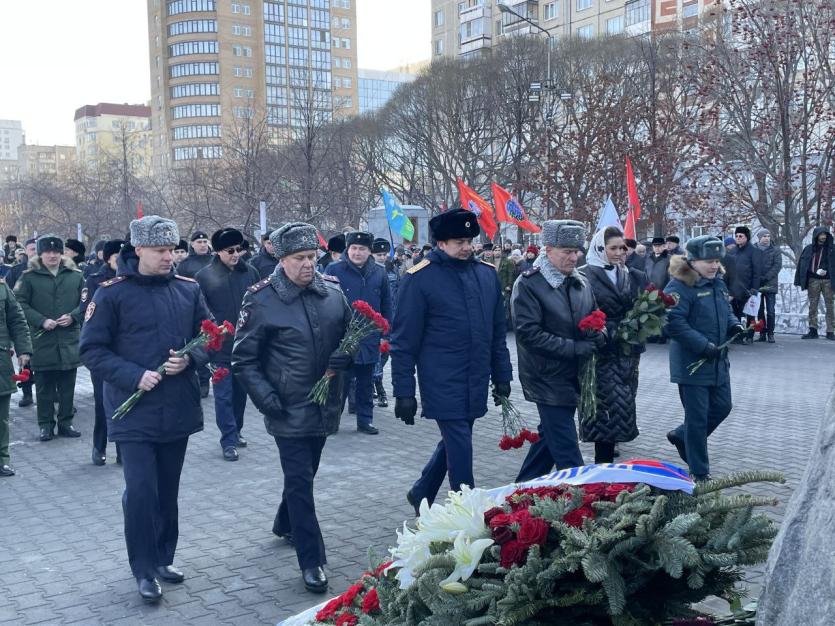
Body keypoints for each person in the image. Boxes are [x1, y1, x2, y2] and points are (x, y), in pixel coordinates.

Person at [80, 216, 212, 602]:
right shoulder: (111, 293)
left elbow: (210, 336)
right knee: (140, 492)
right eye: (160, 251)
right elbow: (91, 350)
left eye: (172, 250)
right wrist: (134, 376)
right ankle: (143, 569)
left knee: (167, 491)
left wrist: (190, 360)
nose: (168, 257)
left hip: (177, 409)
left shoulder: (188, 289)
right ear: (138, 250)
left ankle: (163, 558)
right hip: (131, 411)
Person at [232, 222, 353, 594]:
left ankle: (284, 522)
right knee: (301, 481)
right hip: (286, 406)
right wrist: (266, 399)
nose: (307, 265)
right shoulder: (261, 298)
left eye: (312, 257)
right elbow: (243, 360)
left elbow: (352, 334)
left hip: (326, 402)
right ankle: (312, 560)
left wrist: (347, 354)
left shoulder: (332, 292)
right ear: (280, 259)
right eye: (299, 258)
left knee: (306, 473)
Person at [391, 208, 513, 513]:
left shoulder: (486, 275)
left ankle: (421, 492)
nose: (468, 246)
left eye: (470, 240)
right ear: (441, 243)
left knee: (455, 439)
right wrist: (403, 391)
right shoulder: (419, 279)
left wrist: (502, 376)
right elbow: (403, 342)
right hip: (440, 378)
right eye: (459, 241)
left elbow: (498, 333)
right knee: (460, 443)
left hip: (476, 375)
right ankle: (468, 510)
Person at [511, 220, 602, 480]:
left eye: (577, 251)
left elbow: (595, 314)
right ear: (548, 249)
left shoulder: (581, 281)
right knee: (567, 452)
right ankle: (584, 502)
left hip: (574, 374)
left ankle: (520, 491)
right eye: (567, 252)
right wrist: (575, 348)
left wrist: (600, 334)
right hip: (546, 377)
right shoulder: (529, 284)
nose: (574, 257)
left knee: (548, 441)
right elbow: (529, 334)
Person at [664, 236, 743, 481]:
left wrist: (734, 325)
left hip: (717, 360)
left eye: (717, 261)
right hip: (692, 363)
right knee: (697, 419)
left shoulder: (717, 283)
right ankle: (699, 471)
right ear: (693, 261)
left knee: (722, 406)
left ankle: (681, 435)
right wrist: (702, 345)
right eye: (708, 261)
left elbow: (726, 310)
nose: (713, 266)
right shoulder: (679, 287)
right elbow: (672, 323)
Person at [579, 227, 647, 463]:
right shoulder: (584, 276)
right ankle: (602, 464)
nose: (620, 253)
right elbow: (583, 312)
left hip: (627, 353)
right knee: (604, 410)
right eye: (613, 248)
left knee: (624, 404)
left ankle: (610, 463)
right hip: (602, 353)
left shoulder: (631, 274)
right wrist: (607, 331)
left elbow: (641, 306)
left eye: (623, 248)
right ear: (600, 248)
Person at [195, 228, 260, 461]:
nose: (235, 255)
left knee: (241, 393)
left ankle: (238, 429)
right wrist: (210, 332)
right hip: (219, 346)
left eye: (239, 250)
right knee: (223, 395)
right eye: (230, 251)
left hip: (245, 345)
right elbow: (199, 311)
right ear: (218, 251)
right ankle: (228, 440)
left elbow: (258, 305)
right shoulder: (205, 276)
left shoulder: (250, 272)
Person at [14, 235, 84, 441]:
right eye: (47, 252)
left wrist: (73, 316)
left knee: (67, 385)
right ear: (40, 254)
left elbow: (88, 301)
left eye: (56, 252)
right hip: (41, 338)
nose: (52, 255)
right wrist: (41, 320)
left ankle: (66, 422)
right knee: (44, 385)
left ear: (61, 253)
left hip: (68, 338)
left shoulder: (76, 275)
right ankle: (45, 425)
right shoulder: (29, 277)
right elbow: (19, 304)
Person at [324, 231, 391, 435]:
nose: (357, 252)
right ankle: (331, 420)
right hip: (342, 337)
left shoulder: (379, 272)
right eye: (353, 248)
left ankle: (365, 420)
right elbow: (324, 300)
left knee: (365, 381)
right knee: (340, 383)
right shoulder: (334, 269)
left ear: (369, 251)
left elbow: (387, 304)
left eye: (362, 249)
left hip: (369, 336)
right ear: (347, 249)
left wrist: (386, 333)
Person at [82, 239, 125, 466]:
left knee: (123, 401)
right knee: (102, 401)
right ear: (107, 258)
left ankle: (121, 447)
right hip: (103, 352)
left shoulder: (131, 280)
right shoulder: (96, 280)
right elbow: (86, 312)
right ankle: (99, 446)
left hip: (126, 352)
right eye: (117, 258)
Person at [0, 277, 32, 477]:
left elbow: (17, 320)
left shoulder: (2, 288)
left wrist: (24, 350)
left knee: (1, 416)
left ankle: (2, 459)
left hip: (1, 360)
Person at [177, 230, 214, 396]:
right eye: (199, 242)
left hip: (214, 308)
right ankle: (204, 380)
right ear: (192, 244)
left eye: (205, 241)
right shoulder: (185, 265)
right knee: (198, 344)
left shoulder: (215, 261)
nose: (203, 244)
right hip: (195, 309)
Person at [371, 238, 399, 407]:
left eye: (384, 254)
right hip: (375, 319)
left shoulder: (392, 269)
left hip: (392, 318)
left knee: (385, 354)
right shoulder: (370, 271)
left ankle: (375, 381)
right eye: (378, 254)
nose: (382, 257)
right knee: (376, 355)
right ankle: (379, 388)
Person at [795, 226, 835, 340]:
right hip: (813, 280)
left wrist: (825, 269)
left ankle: (830, 331)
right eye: (821, 234)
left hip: (828, 280)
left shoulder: (832, 249)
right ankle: (813, 330)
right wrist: (807, 275)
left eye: (825, 234)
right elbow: (803, 264)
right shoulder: (809, 248)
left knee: (830, 306)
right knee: (813, 305)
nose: (823, 236)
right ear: (816, 235)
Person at [729, 226, 761, 343]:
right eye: (736, 236)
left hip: (747, 288)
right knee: (735, 312)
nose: (738, 238)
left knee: (750, 313)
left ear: (746, 237)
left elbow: (757, 272)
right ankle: (737, 335)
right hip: (734, 288)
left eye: (740, 236)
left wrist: (754, 288)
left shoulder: (754, 251)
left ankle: (749, 335)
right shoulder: (732, 251)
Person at [755, 229, 781, 343]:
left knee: (770, 311)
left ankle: (771, 333)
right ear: (759, 237)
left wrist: (766, 277)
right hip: (756, 284)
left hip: (770, 284)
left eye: (768, 236)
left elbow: (777, 266)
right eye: (764, 236)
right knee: (759, 311)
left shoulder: (775, 250)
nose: (767, 238)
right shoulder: (753, 249)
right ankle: (762, 333)